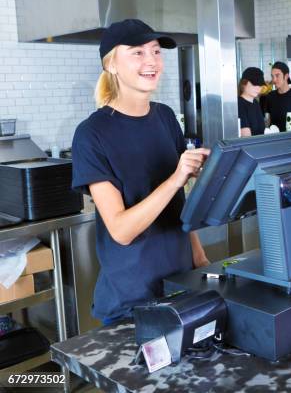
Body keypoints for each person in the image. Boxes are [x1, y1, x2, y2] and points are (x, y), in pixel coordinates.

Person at [71, 19, 210, 326]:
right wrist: (176, 177)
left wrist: (199, 259)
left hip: (182, 285)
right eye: (137, 52)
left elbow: (179, 204)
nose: (152, 61)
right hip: (132, 303)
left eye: (156, 51)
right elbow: (121, 230)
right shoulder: (91, 135)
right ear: (112, 65)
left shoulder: (165, 117)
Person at [261, 61, 291, 132]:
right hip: (274, 140)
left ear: (286, 76)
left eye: (277, 75)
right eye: (272, 76)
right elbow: (267, 121)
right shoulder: (269, 97)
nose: (274, 80)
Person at [238, 67, 266, 137]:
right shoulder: (239, 104)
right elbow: (246, 138)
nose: (258, 88)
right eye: (255, 84)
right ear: (244, 83)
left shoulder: (255, 103)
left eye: (260, 85)